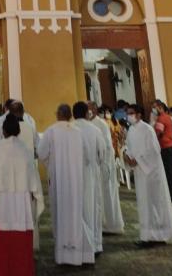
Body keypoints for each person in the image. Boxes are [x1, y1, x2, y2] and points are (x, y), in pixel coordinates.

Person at [0, 114, 44, 276]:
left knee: (3, 240)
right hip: (22, 203)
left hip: (3, 202)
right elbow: (32, 179)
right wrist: (34, 195)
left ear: (3, 131)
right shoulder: (24, 151)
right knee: (21, 242)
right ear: (19, 131)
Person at [38, 104, 86, 267]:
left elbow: (42, 152)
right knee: (74, 210)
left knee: (59, 211)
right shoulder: (78, 133)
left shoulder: (51, 131)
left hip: (58, 179)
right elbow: (83, 155)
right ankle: (75, 252)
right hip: (76, 180)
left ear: (58, 114)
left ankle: (62, 252)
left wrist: (50, 164)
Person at [125, 104, 172, 246]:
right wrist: (128, 157)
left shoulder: (147, 129)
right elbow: (129, 147)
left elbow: (154, 150)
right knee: (144, 204)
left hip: (151, 172)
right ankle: (147, 236)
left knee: (155, 203)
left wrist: (138, 160)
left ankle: (159, 235)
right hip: (139, 172)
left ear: (139, 115)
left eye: (131, 113)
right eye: (127, 113)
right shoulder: (130, 130)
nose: (128, 116)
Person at [72, 101, 104, 260]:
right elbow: (102, 153)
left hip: (73, 177)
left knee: (78, 209)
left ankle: (78, 244)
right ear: (87, 113)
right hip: (91, 175)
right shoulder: (95, 130)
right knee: (92, 208)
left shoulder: (69, 130)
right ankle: (95, 244)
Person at [88, 101, 124, 235]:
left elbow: (107, 145)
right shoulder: (88, 124)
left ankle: (111, 224)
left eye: (89, 108)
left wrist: (101, 160)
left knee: (108, 194)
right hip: (94, 166)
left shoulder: (101, 124)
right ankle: (101, 223)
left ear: (95, 110)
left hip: (104, 164)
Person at [151, 100, 172, 203]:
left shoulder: (161, 118)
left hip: (166, 148)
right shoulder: (168, 117)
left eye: (155, 108)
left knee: (169, 173)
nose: (153, 110)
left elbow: (159, 133)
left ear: (160, 107)